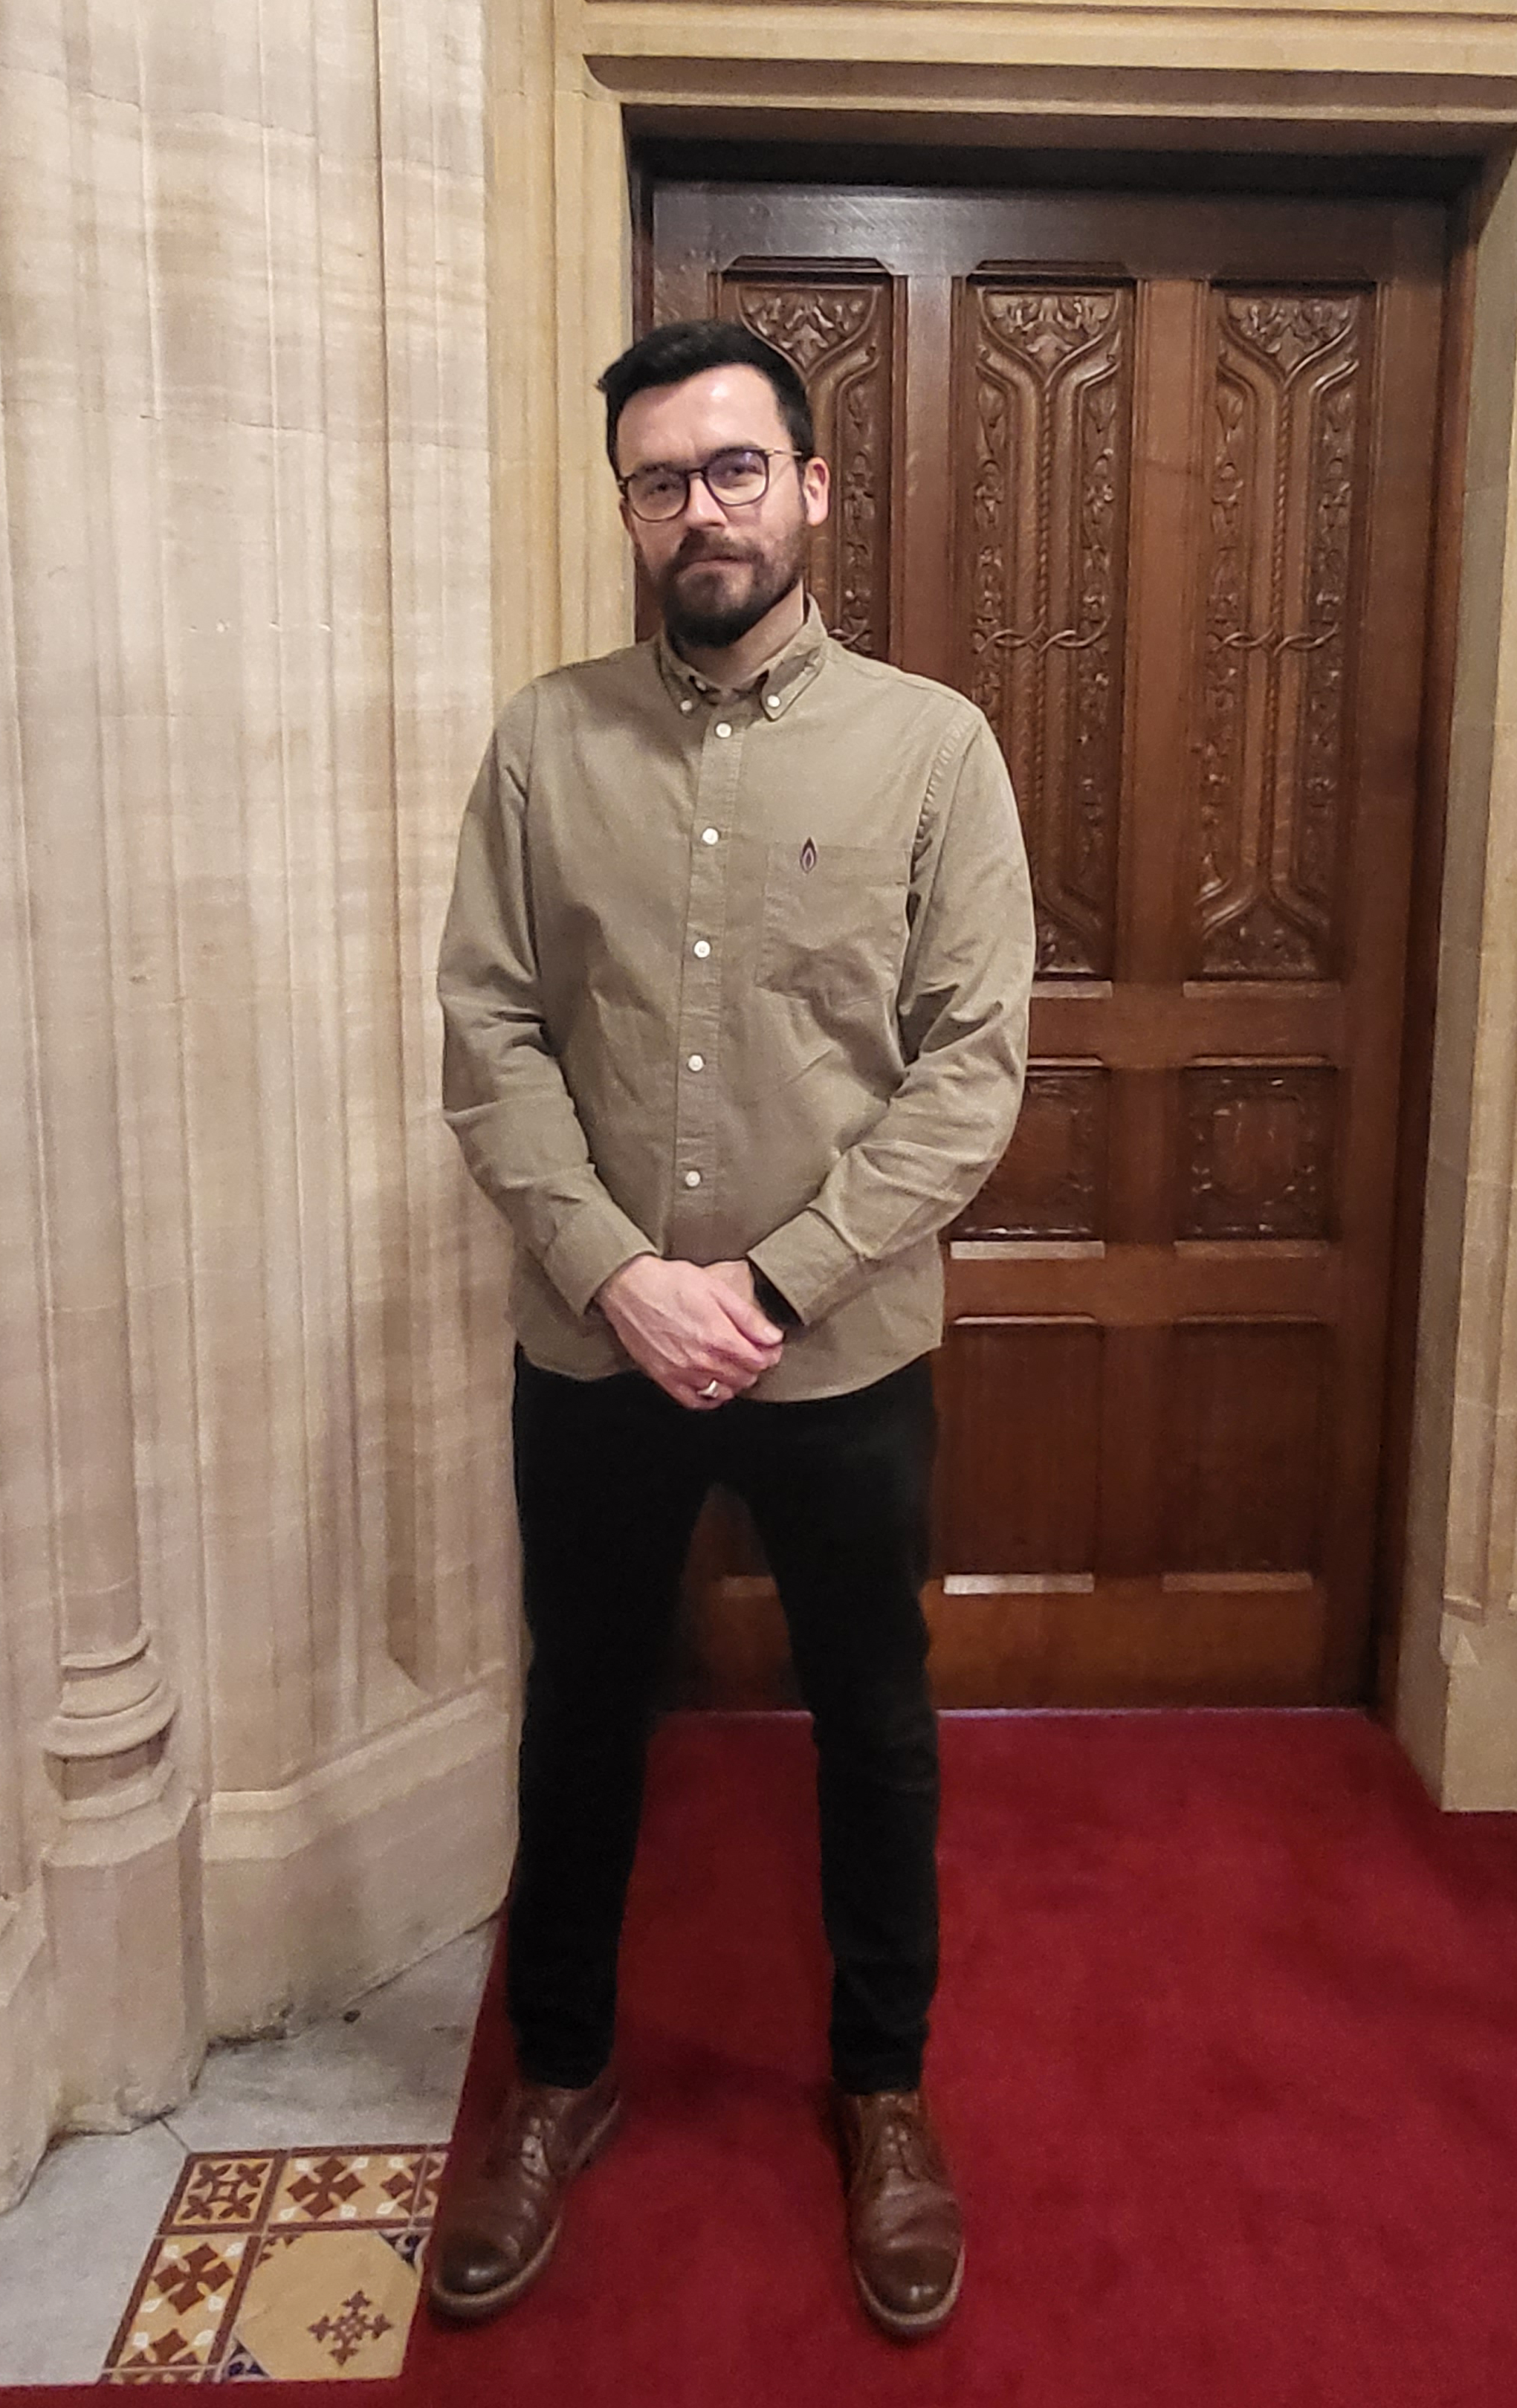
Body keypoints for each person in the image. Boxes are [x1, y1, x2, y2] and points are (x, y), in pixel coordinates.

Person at [430, 319, 1035, 2340]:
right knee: (583, 1708)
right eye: (663, 479)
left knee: (872, 1720)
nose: (703, 508)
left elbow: (972, 1070)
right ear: (626, 507)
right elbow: (492, 1029)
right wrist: (619, 1270)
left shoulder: (933, 747)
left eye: (737, 468)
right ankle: (562, 2076)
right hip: (596, 1343)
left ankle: (883, 2093)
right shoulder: (543, 742)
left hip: (836, 1351)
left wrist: (770, 1284)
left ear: (814, 486)